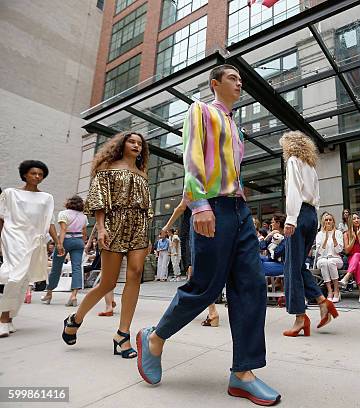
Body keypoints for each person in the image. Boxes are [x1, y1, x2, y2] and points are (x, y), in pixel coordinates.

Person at [135, 65, 280, 405]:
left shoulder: (236, 127)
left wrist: (241, 208)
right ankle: (155, 338)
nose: (239, 82)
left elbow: (234, 172)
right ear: (215, 84)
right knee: (205, 287)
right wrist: (199, 205)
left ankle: (243, 372)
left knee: (251, 285)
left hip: (239, 209)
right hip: (210, 205)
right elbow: (192, 157)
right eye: (233, 78)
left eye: (240, 80)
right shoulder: (200, 110)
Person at [61, 132, 152, 360]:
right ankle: (75, 318)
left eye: (140, 143)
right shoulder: (108, 167)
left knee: (136, 273)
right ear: (122, 144)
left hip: (139, 226)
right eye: (132, 141)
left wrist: (148, 235)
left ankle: (123, 334)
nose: (136, 145)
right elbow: (99, 199)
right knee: (108, 282)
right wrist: (101, 228)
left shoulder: (142, 172)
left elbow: (146, 206)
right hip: (113, 224)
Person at [281, 130, 338, 338]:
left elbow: (294, 191)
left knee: (290, 268)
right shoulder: (311, 166)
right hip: (312, 216)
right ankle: (322, 302)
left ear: (290, 146)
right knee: (296, 265)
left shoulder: (293, 161)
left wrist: (290, 219)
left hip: (299, 214)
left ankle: (299, 317)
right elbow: (317, 196)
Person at [0, 160, 60, 338]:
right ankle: (3, 319)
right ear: (25, 174)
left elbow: (49, 222)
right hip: (13, 237)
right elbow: (1, 218)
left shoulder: (47, 198)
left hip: (34, 241)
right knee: (14, 276)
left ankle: (10, 317)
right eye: (33, 173)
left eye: (41, 174)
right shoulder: (10, 193)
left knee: (24, 279)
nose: (37, 177)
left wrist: (58, 242)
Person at [161, 198, 219, 327]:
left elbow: (181, 207)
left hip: (193, 233)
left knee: (196, 272)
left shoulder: (195, 182)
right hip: (206, 232)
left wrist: (166, 227)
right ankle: (208, 309)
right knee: (202, 271)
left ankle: (210, 311)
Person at [42, 195, 88, 306]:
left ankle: (49, 293)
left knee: (56, 267)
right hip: (78, 241)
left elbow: (63, 230)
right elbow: (84, 233)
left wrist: (59, 244)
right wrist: (82, 243)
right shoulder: (84, 217)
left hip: (66, 240)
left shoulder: (64, 213)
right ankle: (73, 296)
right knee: (77, 268)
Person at [315, 213, 344, 303]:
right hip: (322, 259)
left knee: (330, 262)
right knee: (324, 262)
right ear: (323, 222)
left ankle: (336, 290)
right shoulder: (320, 234)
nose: (328, 221)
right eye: (326, 220)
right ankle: (330, 291)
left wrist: (334, 239)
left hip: (336, 258)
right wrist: (326, 238)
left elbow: (339, 250)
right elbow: (319, 252)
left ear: (333, 222)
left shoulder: (338, 233)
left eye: (330, 220)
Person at [340, 213, 360, 303]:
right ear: (350, 221)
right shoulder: (346, 234)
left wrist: (359, 235)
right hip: (352, 259)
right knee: (358, 264)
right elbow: (347, 251)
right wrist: (353, 237)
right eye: (354, 219)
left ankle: (347, 276)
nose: (356, 220)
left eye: (358, 218)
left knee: (357, 255)